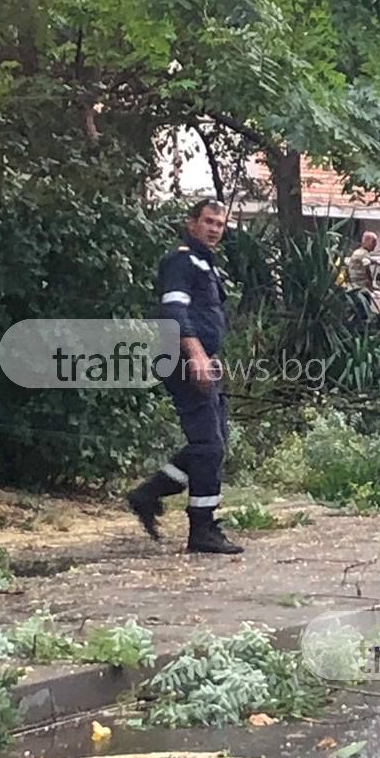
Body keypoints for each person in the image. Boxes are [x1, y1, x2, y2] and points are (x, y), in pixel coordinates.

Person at [127, 199, 243, 555]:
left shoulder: (204, 264)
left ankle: (148, 495)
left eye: (219, 224)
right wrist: (195, 355)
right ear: (191, 223)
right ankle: (202, 530)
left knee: (213, 439)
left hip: (198, 359)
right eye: (208, 221)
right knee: (209, 445)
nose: (214, 229)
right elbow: (174, 310)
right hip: (179, 359)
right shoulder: (180, 260)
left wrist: (210, 357)